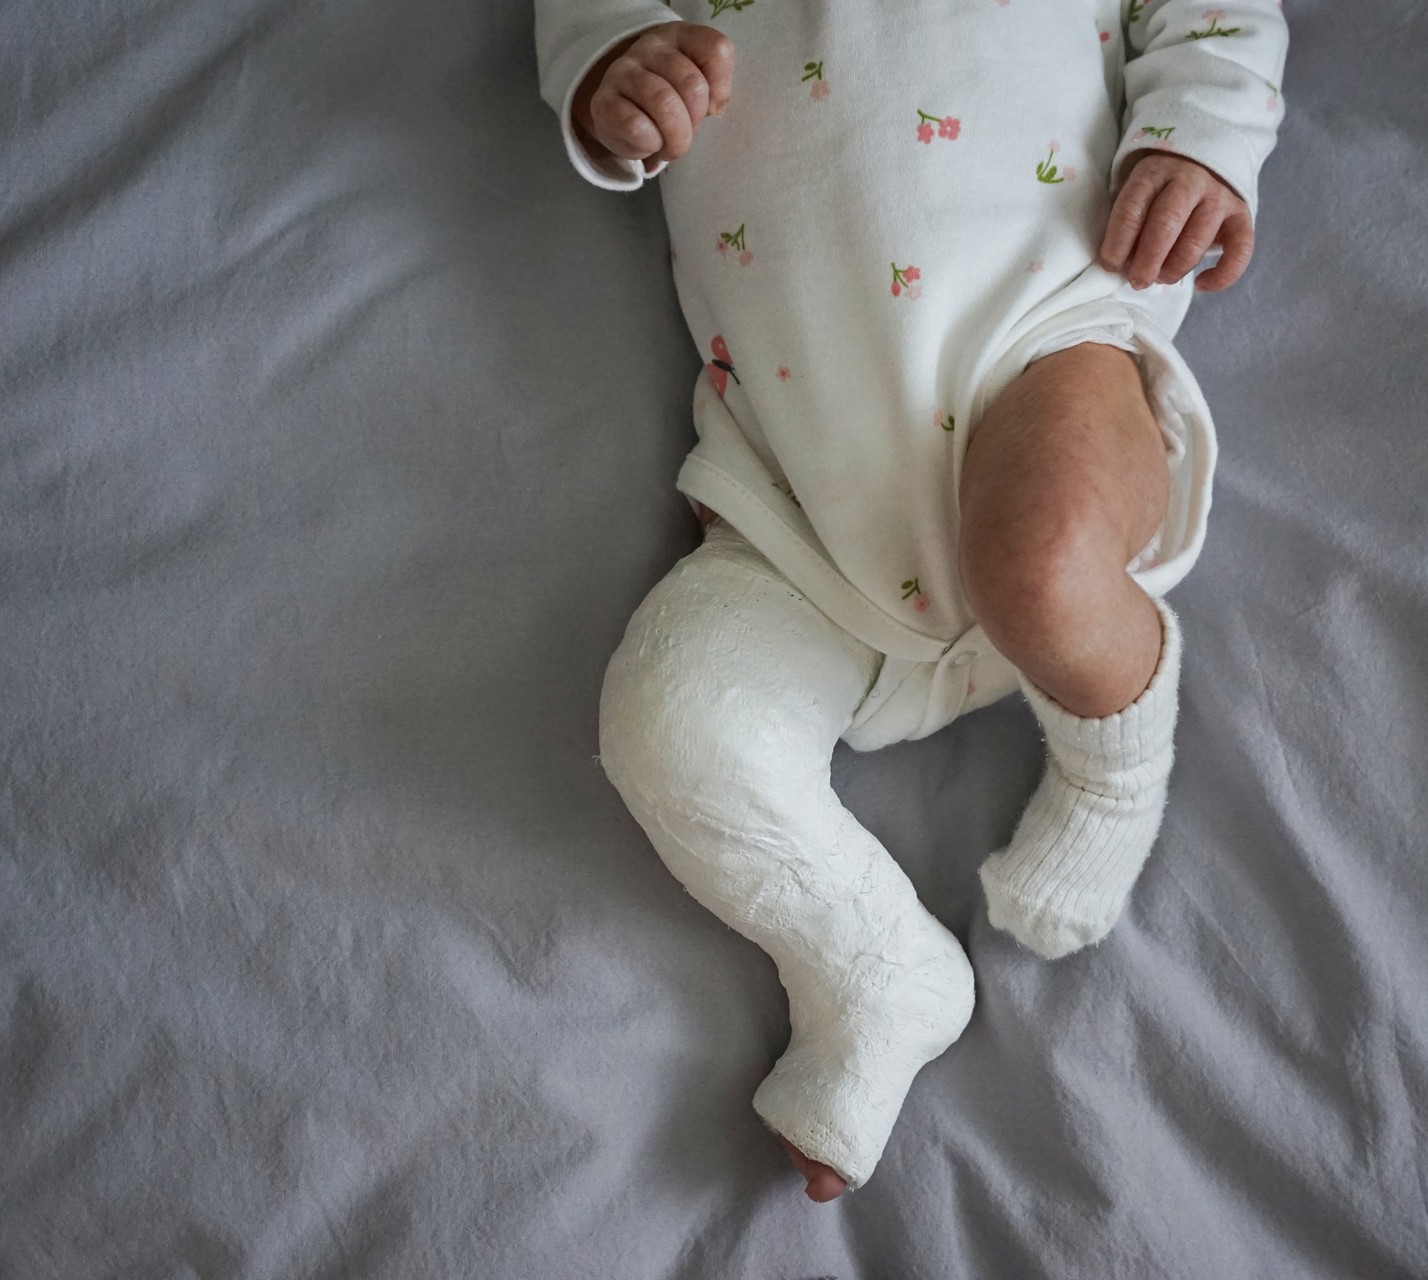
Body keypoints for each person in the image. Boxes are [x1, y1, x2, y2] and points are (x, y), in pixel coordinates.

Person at [536, 0, 1289, 1202]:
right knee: (670, 717)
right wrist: (615, 64)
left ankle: (1111, 765)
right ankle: (872, 963)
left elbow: (1218, 13)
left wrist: (1199, 142)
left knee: (1045, 564)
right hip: (792, 482)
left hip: (1041, 341)